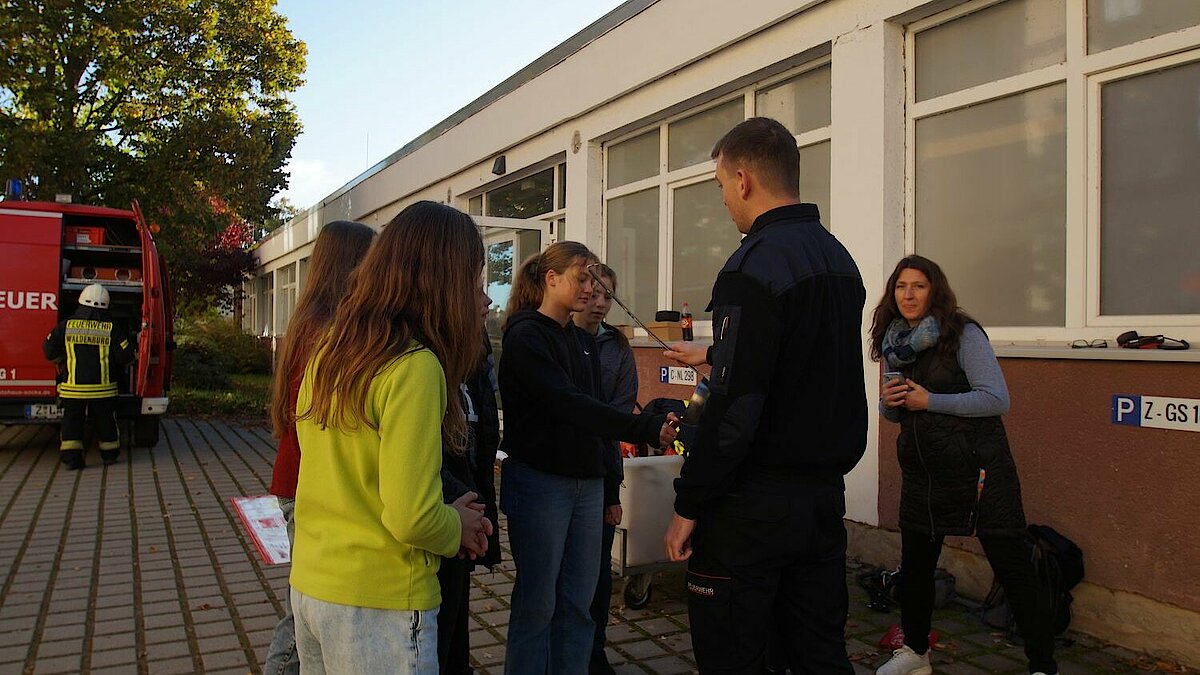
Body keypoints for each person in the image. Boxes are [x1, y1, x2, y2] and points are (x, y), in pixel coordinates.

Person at [662, 116, 867, 673]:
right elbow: (800, 363)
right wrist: (717, 354)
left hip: (751, 509)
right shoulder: (839, 259)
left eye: (721, 186)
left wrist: (689, 504)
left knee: (734, 654)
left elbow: (737, 406)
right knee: (819, 653)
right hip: (820, 501)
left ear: (744, 179)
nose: (725, 201)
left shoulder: (753, 264)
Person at [289, 201, 493, 675]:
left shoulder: (333, 350)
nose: (482, 297)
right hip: (381, 604)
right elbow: (412, 518)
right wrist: (456, 526)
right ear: (444, 283)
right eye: (473, 280)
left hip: (314, 587)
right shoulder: (414, 366)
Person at [870, 255, 1056, 675]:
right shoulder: (894, 340)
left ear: (935, 291)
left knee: (1012, 568)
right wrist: (890, 404)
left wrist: (929, 401)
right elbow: (895, 413)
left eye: (918, 286)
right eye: (901, 286)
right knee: (916, 569)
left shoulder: (962, 334)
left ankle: (1044, 665)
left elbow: (996, 399)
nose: (908, 295)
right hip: (925, 474)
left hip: (979, 472)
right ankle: (915, 654)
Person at [499, 241, 677, 675]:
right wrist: (643, 427)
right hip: (541, 484)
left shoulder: (581, 342)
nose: (591, 290)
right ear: (551, 279)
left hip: (588, 485)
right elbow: (571, 404)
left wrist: (610, 485)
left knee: (579, 603)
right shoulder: (526, 336)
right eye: (582, 278)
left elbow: (599, 420)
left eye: (596, 282)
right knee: (537, 604)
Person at [262, 220, 376, 675]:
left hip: (298, 478)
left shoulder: (309, 322)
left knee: (303, 605)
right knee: (302, 613)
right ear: (352, 263)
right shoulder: (329, 331)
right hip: (309, 482)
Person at [570, 263, 638, 675]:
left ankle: (594, 652)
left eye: (607, 296)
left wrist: (613, 490)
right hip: (561, 471)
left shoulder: (617, 347)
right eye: (593, 294)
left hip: (601, 471)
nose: (599, 303)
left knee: (597, 575)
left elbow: (619, 419)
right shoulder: (557, 339)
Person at [436, 289, 502, 675]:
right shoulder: (423, 362)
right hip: (441, 524)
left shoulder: (471, 350)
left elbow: (481, 440)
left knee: (455, 629)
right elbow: (420, 464)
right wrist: (463, 511)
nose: (488, 300)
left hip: (462, 516)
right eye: (474, 288)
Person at [43, 283, 135, 469]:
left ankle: (72, 460)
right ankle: (109, 456)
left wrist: (62, 361)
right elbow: (125, 356)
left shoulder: (66, 326)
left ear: (81, 302)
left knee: (72, 424)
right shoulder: (112, 328)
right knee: (106, 422)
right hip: (103, 390)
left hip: (73, 389)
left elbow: (49, 350)